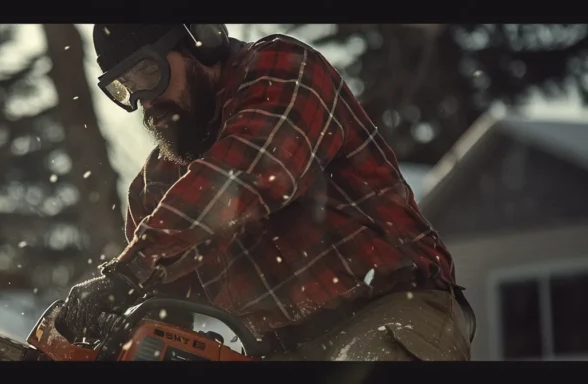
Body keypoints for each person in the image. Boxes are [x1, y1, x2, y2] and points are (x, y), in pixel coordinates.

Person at [54, 24, 476, 361]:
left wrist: (128, 273)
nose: (146, 101)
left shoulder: (283, 70)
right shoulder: (156, 188)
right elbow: (168, 312)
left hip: (389, 310)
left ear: (201, 39)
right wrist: (120, 326)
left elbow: (250, 172)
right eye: (126, 88)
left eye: (149, 74)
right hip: (274, 351)